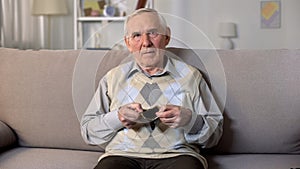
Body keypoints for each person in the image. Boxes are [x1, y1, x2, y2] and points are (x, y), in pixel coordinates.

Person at [81, 8, 223, 169]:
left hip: (177, 156)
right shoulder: (112, 78)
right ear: (128, 43)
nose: (146, 42)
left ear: (167, 37)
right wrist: (118, 117)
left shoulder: (192, 76)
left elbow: (215, 134)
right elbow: (88, 132)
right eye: (136, 35)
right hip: (122, 155)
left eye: (153, 33)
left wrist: (190, 120)